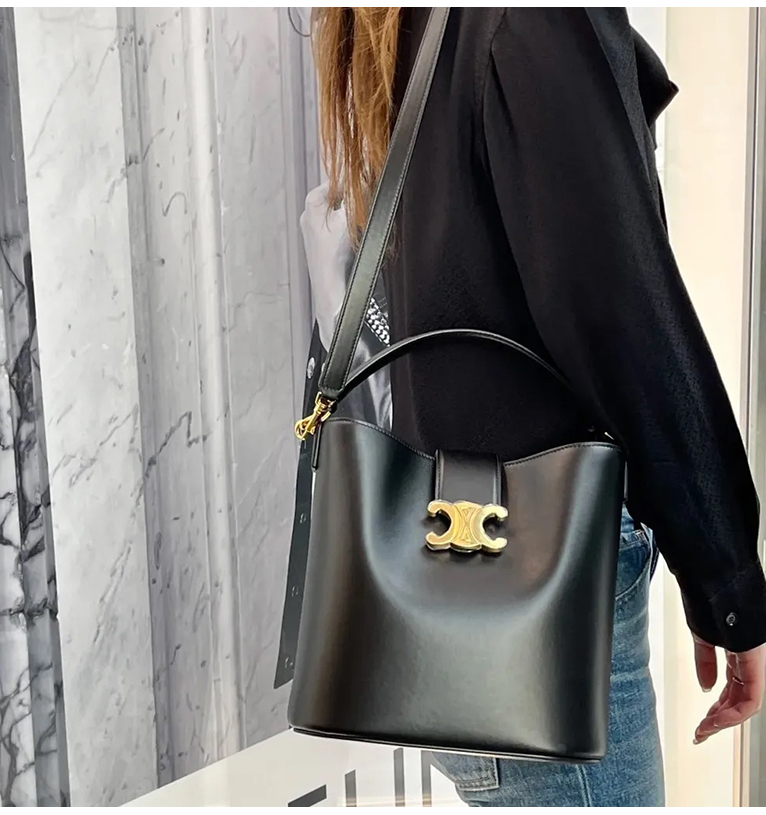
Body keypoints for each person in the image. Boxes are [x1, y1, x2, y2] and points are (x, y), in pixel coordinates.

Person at [309, 7, 766, 807]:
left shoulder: (423, 24)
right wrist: (725, 582)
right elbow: (622, 317)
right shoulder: (526, 19)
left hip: (464, 616)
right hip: (542, 629)